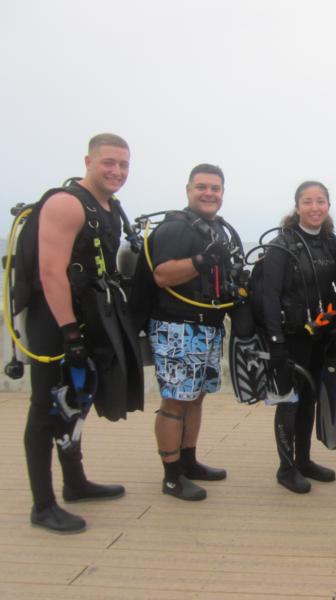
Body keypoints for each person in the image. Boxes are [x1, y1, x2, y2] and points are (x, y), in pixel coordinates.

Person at [24, 133, 143, 533]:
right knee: (46, 409)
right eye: (108, 162)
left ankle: (75, 483)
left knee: (75, 402)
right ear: (88, 161)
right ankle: (43, 505)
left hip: (88, 318)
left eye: (124, 164)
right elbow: (50, 272)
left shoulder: (108, 207)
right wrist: (69, 333)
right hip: (54, 322)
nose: (117, 171)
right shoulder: (66, 203)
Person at [147, 164, 242, 501]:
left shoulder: (212, 229)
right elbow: (162, 275)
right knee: (175, 400)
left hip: (207, 325)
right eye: (202, 186)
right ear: (188, 189)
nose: (209, 193)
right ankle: (171, 476)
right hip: (177, 327)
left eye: (215, 188)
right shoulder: (176, 228)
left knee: (196, 396)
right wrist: (202, 261)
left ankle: (189, 461)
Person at [250, 181, 336, 493]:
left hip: (320, 333)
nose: (314, 207)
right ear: (297, 206)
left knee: (310, 399)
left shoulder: (331, 243)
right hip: (291, 336)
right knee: (289, 401)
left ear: (328, 206)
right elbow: (270, 296)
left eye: (320, 201)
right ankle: (286, 468)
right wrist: (275, 341)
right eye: (307, 202)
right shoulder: (282, 245)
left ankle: (303, 460)